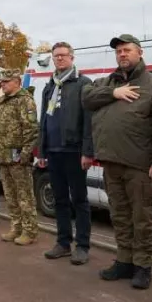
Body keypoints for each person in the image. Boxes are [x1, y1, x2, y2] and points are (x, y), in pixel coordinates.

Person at [82, 34, 152, 290]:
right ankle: (124, 260)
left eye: (127, 50)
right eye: (119, 51)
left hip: (139, 166)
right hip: (111, 163)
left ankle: (142, 266)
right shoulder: (107, 82)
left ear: (140, 53)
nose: (122, 54)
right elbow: (86, 98)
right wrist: (114, 92)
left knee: (141, 218)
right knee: (119, 215)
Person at [38, 42, 95, 265]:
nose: (59, 59)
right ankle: (63, 243)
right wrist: (42, 150)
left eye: (63, 55)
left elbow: (89, 120)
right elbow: (44, 118)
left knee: (79, 200)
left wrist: (87, 151)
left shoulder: (83, 83)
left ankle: (82, 246)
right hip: (53, 151)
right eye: (56, 56)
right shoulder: (50, 85)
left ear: (72, 57)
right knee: (59, 199)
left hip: (74, 150)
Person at [0, 69, 39, 245]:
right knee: (10, 195)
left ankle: (29, 231)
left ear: (17, 82)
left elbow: (31, 129)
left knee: (24, 196)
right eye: (1, 81)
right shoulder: (3, 100)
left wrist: (25, 153)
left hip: (18, 157)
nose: (3, 84)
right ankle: (16, 227)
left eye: (6, 81)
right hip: (3, 155)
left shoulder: (25, 100)